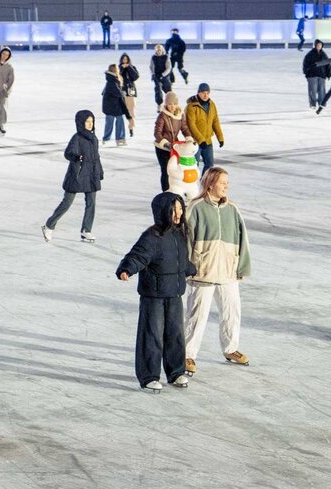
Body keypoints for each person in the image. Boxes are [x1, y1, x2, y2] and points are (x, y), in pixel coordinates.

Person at [116, 192, 197, 393]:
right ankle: (149, 376)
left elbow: (180, 259)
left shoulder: (179, 234)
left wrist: (190, 269)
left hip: (174, 292)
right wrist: (126, 269)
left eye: (180, 209)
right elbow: (138, 255)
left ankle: (175, 372)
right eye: (174, 209)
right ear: (163, 211)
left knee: (175, 335)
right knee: (152, 335)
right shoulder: (152, 236)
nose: (178, 213)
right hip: (153, 295)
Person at [183, 167, 251, 377]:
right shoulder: (195, 207)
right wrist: (186, 267)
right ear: (210, 183)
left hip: (228, 271)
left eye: (227, 183)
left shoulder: (232, 209)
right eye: (222, 182)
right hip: (202, 271)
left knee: (232, 311)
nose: (226, 186)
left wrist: (242, 266)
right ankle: (187, 354)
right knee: (197, 315)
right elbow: (186, 239)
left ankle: (230, 349)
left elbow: (243, 239)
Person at [42, 110, 103, 244]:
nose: (90, 124)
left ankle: (86, 230)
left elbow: (96, 157)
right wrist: (77, 157)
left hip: (92, 174)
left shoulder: (94, 138)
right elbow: (68, 153)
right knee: (67, 203)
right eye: (87, 121)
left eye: (92, 121)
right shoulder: (77, 137)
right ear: (81, 122)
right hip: (77, 174)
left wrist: (100, 171)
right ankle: (49, 225)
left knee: (91, 203)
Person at [154, 91, 192, 191]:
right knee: (166, 170)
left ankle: (175, 189)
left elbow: (184, 128)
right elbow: (157, 133)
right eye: (170, 104)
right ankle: (166, 191)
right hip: (162, 148)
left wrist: (189, 138)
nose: (172, 106)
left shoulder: (180, 115)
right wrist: (164, 143)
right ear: (166, 104)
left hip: (174, 146)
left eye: (174, 104)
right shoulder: (162, 116)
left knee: (175, 169)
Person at [185, 83, 224, 175]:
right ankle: (192, 187)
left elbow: (215, 122)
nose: (205, 95)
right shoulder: (191, 106)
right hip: (195, 142)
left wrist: (220, 137)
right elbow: (191, 125)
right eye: (203, 92)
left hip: (208, 141)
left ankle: (204, 185)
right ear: (198, 93)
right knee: (194, 165)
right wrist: (200, 140)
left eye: (207, 92)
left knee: (210, 165)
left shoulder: (212, 104)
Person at [101, 64, 132, 147]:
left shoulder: (113, 79)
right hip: (111, 106)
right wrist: (123, 93)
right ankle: (108, 139)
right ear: (114, 70)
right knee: (111, 122)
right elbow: (117, 92)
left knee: (118, 121)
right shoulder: (112, 80)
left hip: (114, 105)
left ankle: (119, 139)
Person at [302, 39, 331, 110]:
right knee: (313, 90)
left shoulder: (324, 54)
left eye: (320, 45)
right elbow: (305, 64)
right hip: (312, 75)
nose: (319, 46)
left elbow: (328, 64)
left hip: (322, 75)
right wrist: (306, 73)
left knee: (322, 90)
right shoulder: (310, 54)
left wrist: (329, 73)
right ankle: (313, 104)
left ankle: (321, 103)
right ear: (315, 46)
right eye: (318, 45)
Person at [119, 53, 139, 137]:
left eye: (126, 59)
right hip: (122, 91)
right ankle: (120, 131)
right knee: (120, 112)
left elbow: (135, 77)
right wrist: (121, 69)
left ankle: (131, 128)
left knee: (131, 111)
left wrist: (129, 67)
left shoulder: (132, 67)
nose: (125, 61)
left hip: (131, 91)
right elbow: (117, 76)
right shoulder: (118, 68)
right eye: (123, 59)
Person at [150, 44, 172, 112]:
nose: (158, 51)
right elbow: (151, 67)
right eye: (157, 50)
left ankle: (171, 104)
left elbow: (168, 68)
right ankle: (159, 104)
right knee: (158, 90)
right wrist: (153, 74)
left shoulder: (166, 57)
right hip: (156, 76)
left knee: (168, 91)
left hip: (165, 76)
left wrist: (163, 75)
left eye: (160, 50)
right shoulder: (153, 57)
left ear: (162, 50)